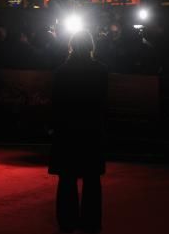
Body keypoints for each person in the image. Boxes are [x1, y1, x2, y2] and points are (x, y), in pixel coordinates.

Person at [48, 30, 108, 233]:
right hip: (91, 130)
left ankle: (67, 221)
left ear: (71, 46)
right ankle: (91, 223)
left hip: (67, 131)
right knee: (92, 180)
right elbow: (103, 103)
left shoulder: (61, 71)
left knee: (67, 179)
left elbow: (55, 104)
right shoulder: (101, 71)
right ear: (91, 46)